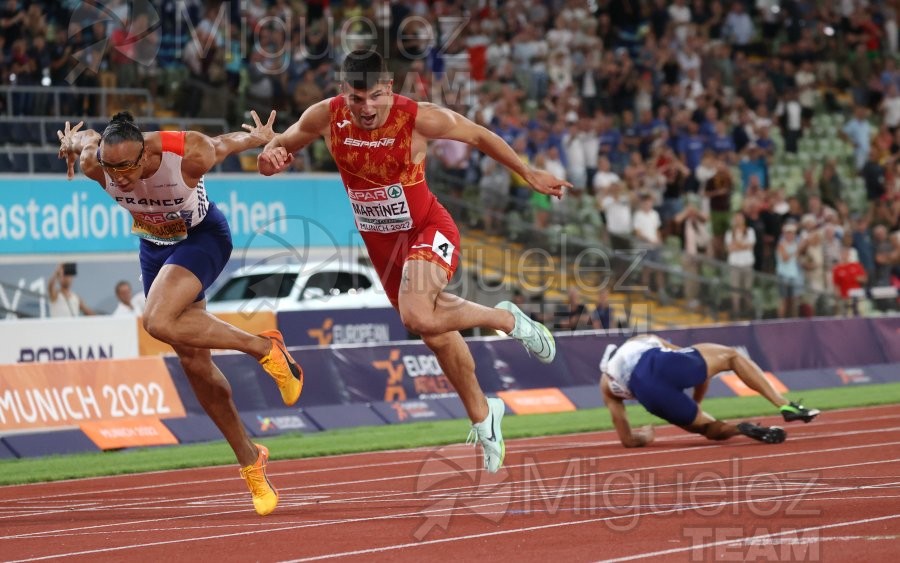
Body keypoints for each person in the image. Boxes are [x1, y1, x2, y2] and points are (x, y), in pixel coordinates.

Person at [258, 50, 569, 474]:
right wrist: (269, 157)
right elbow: (280, 147)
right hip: (383, 248)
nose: (367, 108)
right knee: (435, 334)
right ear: (343, 92)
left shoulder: (419, 117)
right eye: (357, 98)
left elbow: (478, 136)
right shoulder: (324, 117)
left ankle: (507, 320)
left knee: (419, 313)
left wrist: (527, 172)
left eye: (376, 97)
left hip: (428, 227)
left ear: (391, 90)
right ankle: (484, 413)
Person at [57, 110, 301, 517]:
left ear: (146, 154)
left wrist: (256, 139)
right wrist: (71, 143)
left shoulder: (186, 154)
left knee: (156, 320)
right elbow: (85, 142)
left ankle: (264, 347)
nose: (117, 177)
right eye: (110, 167)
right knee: (194, 362)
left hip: (202, 238)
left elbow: (223, 144)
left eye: (126, 167)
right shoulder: (93, 163)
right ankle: (250, 460)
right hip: (154, 248)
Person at [599, 334, 820, 448]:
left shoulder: (606, 385)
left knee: (709, 428)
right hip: (659, 362)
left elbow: (627, 440)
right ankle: (784, 404)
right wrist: (697, 402)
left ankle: (740, 429)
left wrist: (645, 436)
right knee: (732, 356)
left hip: (649, 394)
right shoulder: (644, 339)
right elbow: (697, 371)